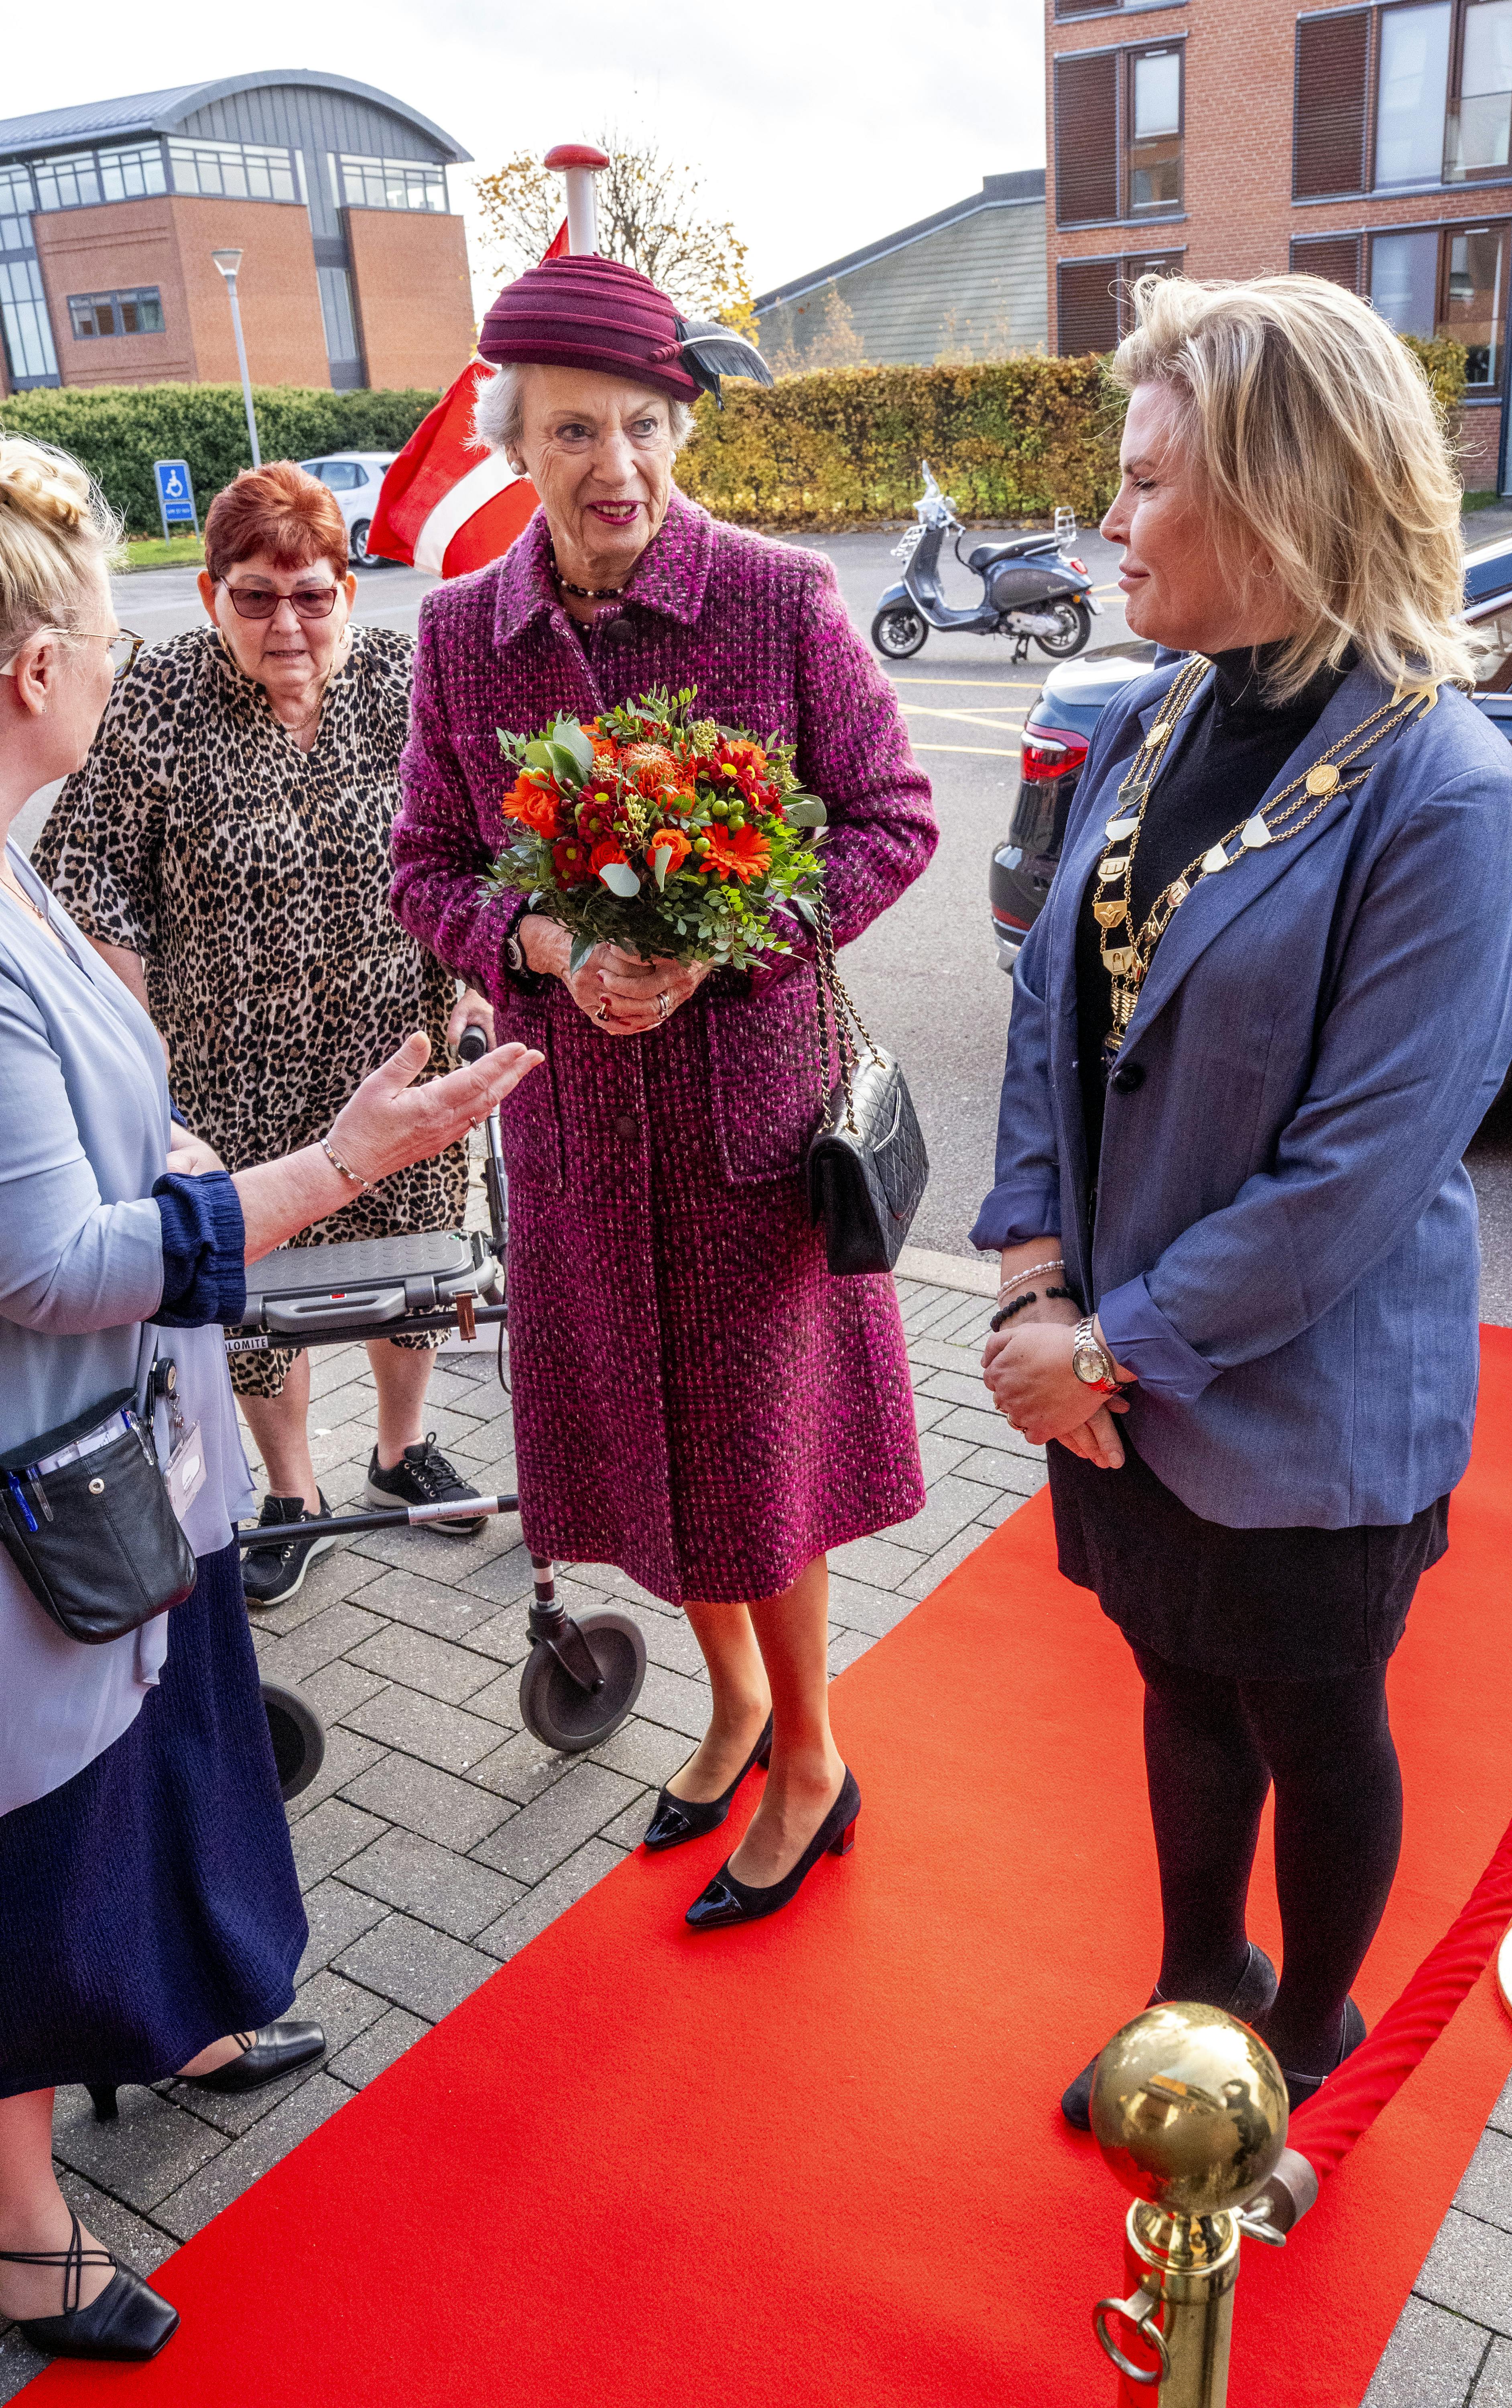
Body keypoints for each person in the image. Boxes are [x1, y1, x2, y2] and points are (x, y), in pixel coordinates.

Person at [971, 275, 1512, 2121]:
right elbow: (1046, 1013)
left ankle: (1302, 2049)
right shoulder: (1149, 715)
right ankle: (1194, 2000)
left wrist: (1107, 1353)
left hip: (1302, 1405)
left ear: (1283, 499)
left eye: (1147, 486)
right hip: (1115, 1377)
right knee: (1179, 1689)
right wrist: (1028, 1276)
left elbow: (1351, 1181)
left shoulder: (1444, 793)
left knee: (1311, 1718)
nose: (1109, 522)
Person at [0, 433, 537, 2363]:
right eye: (104, 633)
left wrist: (228, 1145)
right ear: (39, 673)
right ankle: (21, 2229)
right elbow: (46, 1255)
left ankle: (189, 2010)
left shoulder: (17, 866)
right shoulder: (32, 866)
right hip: (55, 1460)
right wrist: (293, 1175)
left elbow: (99, 1102)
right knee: (44, 1818)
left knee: (173, 1735)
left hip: (140, 1423)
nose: (128, 658)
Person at [391, 252, 937, 1930]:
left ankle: (816, 1757)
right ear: (513, 443)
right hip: (573, 1134)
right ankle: (735, 1710)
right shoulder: (463, 639)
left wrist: (731, 945)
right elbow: (423, 865)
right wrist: (544, 945)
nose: (616, 466)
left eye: (644, 426)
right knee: (645, 1452)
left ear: (677, 428)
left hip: (752, 1134)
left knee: (758, 1456)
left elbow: (891, 818)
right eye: (573, 432)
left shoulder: (776, 601)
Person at [35, 462, 496, 1609]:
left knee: (416, 1270)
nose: (285, 623)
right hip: (221, 1069)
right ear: (211, 598)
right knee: (249, 1292)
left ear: (349, 588)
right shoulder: (155, 702)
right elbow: (89, 885)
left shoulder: (408, 678)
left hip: (398, 1054)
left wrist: (475, 996)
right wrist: (139, 1057)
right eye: (255, 596)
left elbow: (475, 851)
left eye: (311, 594)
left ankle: (399, 1454)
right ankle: (292, 1493)